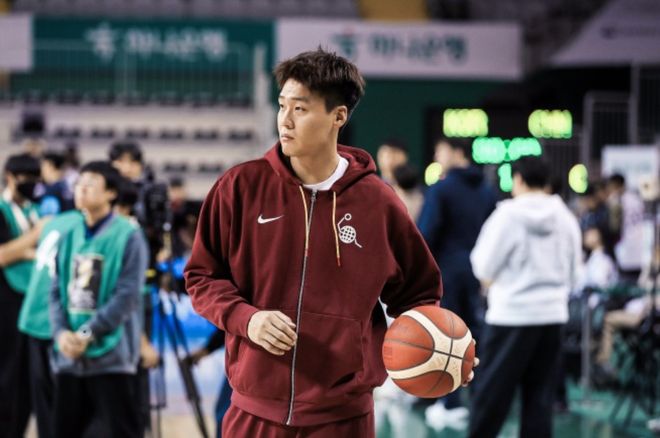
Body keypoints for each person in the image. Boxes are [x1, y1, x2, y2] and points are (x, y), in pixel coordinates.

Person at [184, 48, 472, 437]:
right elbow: (202, 277)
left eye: (300, 109)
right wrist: (246, 319)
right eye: (282, 105)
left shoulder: (378, 203)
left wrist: (443, 350)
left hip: (344, 418)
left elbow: (418, 296)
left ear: (339, 116)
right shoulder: (240, 187)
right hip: (254, 413)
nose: (285, 120)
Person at [468, 156, 582, 438]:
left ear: (517, 179)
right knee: (540, 400)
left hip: (510, 316)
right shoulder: (565, 218)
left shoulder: (506, 217)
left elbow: (483, 265)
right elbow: (575, 274)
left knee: (492, 395)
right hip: (552, 317)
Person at [49, 161, 148, 438]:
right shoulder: (68, 235)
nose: (81, 189)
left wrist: (87, 333)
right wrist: (60, 333)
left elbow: (127, 295)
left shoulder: (129, 235)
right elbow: (55, 291)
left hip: (112, 359)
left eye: (90, 184)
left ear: (111, 193)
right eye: (79, 183)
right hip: (69, 357)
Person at [417, 136, 497, 425]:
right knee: (475, 335)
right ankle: (480, 398)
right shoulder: (488, 192)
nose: (437, 156)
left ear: (457, 152)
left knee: (447, 335)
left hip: (447, 274)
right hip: (477, 274)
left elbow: (425, 234)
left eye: (440, 151)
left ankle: (449, 402)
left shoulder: (441, 189)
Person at [18, 207, 84, 438]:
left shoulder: (55, 222)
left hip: (34, 318)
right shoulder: (87, 227)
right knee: (69, 410)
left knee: (46, 409)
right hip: (59, 325)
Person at [0, 153, 45, 438]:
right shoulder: (2, 210)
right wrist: (35, 237)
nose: (31, 183)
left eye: (35, 178)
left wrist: (26, 251)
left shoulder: (33, 209)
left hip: (33, 300)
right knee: (6, 375)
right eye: (25, 178)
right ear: (10, 177)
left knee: (29, 379)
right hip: (6, 302)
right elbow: (2, 255)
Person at [190, 329, 233, 438]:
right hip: (239, 365)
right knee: (223, 414)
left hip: (246, 367)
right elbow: (229, 326)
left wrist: (207, 348)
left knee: (225, 414)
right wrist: (207, 349)